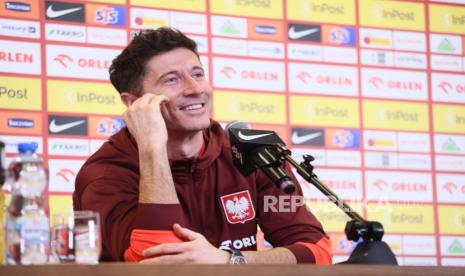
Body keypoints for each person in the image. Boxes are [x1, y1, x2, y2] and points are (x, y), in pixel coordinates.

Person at [73, 27, 332, 264]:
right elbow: (159, 263)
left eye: (198, 74)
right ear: (134, 103)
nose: (195, 88)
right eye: (172, 80)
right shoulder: (105, 174)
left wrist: (231, 260)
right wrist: (152, 151)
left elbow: (317, 251)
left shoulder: (253, 155)